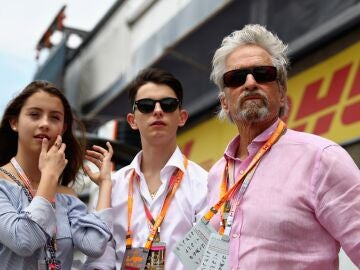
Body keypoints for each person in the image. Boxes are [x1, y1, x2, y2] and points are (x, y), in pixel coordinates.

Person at [206, 24, 360, 269]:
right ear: (224, 102)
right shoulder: (216, 175)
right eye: (236, 78)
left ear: (281, 93)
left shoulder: (322, 159)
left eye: (263, 73)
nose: (249, 82)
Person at [84, 68, 208, 270]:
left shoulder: (203, 183)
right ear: (132, 120)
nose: (158, 111)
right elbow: (99, 259)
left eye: (168, 105)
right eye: (146, 106)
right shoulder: (112, 185)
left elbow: (206, 260)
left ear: (182, 117)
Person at [0, 80, 113, 270]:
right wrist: (50, 177)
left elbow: (94, 245)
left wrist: (106, 184)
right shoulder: (3, 184)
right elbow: (24, 240)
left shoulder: (67, 196)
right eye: (34, 115)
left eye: (54, 118)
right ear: (14, 122)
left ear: (64, 128)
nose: (44, 123)